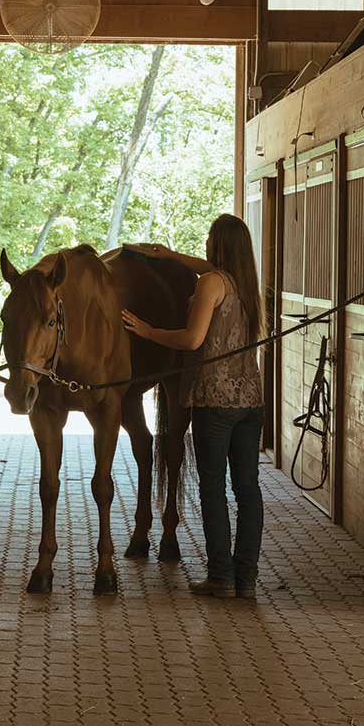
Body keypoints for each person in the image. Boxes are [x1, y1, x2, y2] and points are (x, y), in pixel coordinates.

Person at [120, 215, 265, 600]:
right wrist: (169, 256)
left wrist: (147, 331)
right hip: (251, 400)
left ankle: (219, 576)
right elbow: (212, 273)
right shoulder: (246, 284)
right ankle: (245, 579)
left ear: (216, 244)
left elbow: (191, 339)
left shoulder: (209, 285)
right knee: (248, 490)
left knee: (213, 489)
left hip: (213, 400)